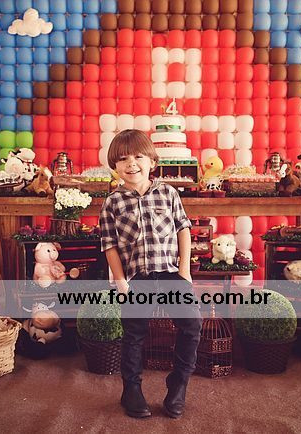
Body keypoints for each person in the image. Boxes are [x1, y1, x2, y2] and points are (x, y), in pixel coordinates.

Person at [99, 129, 202, 419]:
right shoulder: (112, 202)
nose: (131, 163)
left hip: (170, 274)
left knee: (192, 325)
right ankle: (131, 389)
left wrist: (184, 271)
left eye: (138, 157)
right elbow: (109, 245)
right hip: (136, 278)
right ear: (115, 166)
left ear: (152, 162)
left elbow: (183, 229)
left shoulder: (168, 193)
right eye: (123, 159)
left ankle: (178, 383)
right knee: (134, 334)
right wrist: (120, 281)